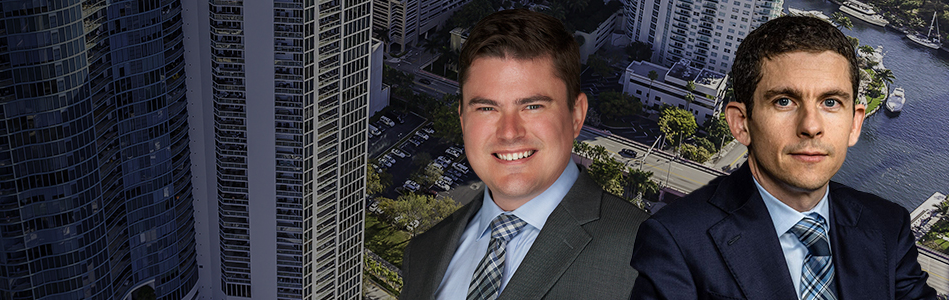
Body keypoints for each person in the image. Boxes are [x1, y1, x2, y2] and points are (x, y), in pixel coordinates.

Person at [629, 16, 935, 299]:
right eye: (784, 101)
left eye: (830, 102)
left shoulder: (887, 226)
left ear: (855, 124)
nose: (811, 127)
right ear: (741, 123)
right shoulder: (676, 240)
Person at [399, 9, 649, 300]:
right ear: (463, 120)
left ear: (576, 116)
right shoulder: (423, 253)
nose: (508, 132)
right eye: (487, 108)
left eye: (532, 106)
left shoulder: (648, 253)